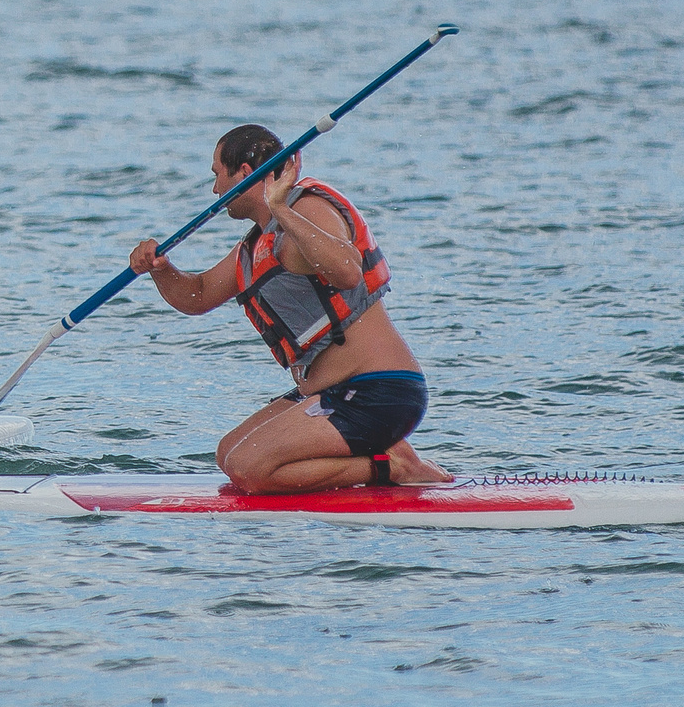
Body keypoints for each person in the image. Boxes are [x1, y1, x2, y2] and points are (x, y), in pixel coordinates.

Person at [128, 125, 454, 491]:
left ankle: (392, 467)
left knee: (249, 467)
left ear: (244, 174)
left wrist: (279, 206)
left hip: (379, 392)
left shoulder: (306, 208)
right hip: (328, 394)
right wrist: (160, 270)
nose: (215, 190)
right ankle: (390, 451)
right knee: (228, 454)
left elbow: (347, 271)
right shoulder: (255, 248)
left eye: (218, 175)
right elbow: (198, 295)